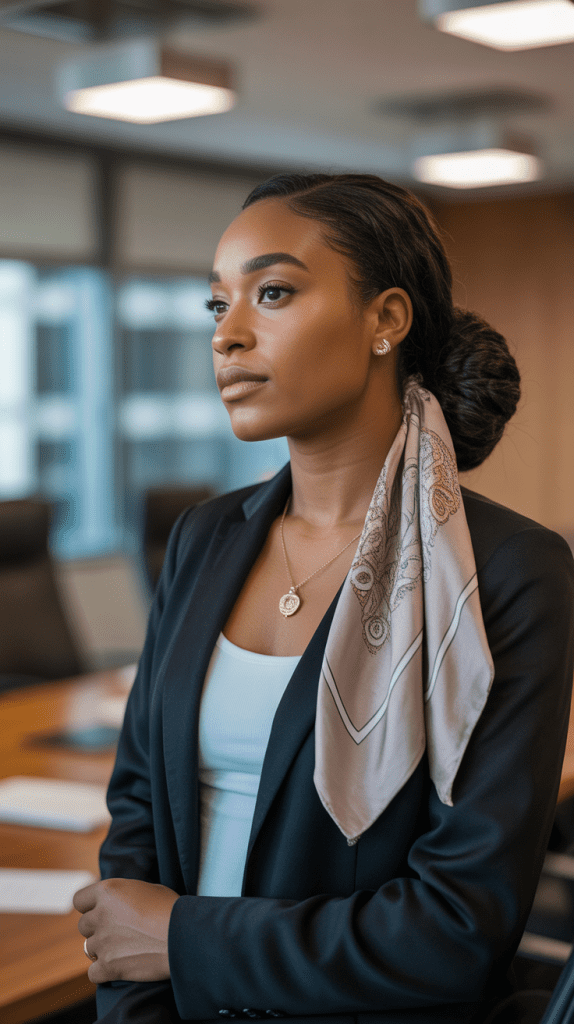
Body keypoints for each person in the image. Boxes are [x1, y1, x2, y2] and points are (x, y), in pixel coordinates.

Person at [74, 173, 574, 1024]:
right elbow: (138, 820)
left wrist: (187, 942)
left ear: (386, 319)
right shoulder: (205, 538)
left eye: (272, 293)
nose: (227, 336)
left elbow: (455, 932)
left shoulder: (509, 571)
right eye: (215, 306)